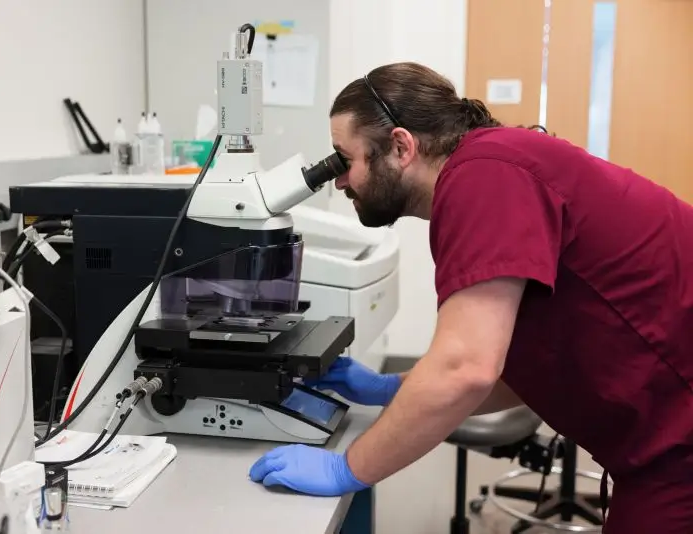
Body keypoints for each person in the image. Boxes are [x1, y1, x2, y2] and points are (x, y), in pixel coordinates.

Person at [248, 62, 693, 533]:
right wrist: (393, 388)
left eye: (345, 159)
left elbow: (466, 368)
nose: (338, 181)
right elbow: (527, 366)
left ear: (401, 146)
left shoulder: (484, 176)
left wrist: (348, 468)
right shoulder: (495, 165)